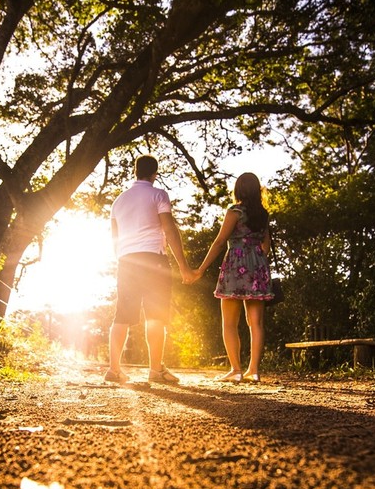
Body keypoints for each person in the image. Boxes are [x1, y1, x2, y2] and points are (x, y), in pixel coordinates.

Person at [104, 154, 195, 384]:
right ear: (155, 173)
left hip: (127, 261)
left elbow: (114, 238)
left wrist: (122, 261)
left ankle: (114, 370)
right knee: (155, 315)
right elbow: (170, 229)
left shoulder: (119, 201)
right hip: (153, 260)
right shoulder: (158, 194)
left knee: (122, 315)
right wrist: (183, 266)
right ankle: (155, 370)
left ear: (135, 171)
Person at [192, 172, 274, 382]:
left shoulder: (234, 211)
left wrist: (200, 269)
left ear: (238, 190)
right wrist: (256, 261)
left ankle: (236, 369)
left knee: (229, 322)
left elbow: (220, 242)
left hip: (235, 265)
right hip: (257, 265)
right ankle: (253, 370)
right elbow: (266, 247)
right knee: (255, 323)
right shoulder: (263, 214)